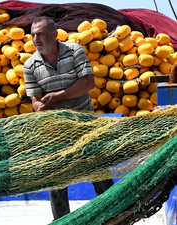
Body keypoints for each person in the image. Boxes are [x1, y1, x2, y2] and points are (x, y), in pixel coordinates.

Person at [23, 16, 114, 221]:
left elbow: (88, 82)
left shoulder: (74, 50)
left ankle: (112, 215)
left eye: (40, 34)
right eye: (33, 35)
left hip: (85, 126)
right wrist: (40, 108)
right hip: (55, 131)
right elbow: (35, 100)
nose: (35, 39)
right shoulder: (30, 65)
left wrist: (59, 96)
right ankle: (63, 221)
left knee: (99, 173)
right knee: (57, 182)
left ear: (54, 35)